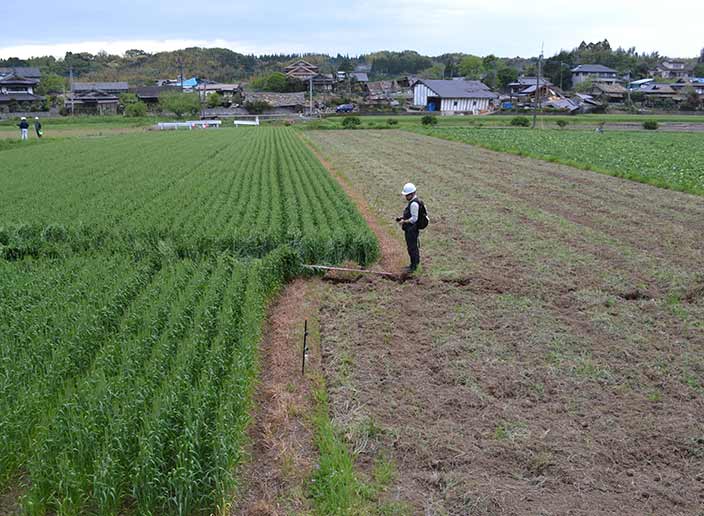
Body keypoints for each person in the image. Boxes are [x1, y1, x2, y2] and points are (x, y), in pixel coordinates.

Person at [397, 182, 422, 273]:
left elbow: (414, 219)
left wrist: (404, 221)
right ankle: (413, 265)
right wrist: (402, 218)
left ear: (412, 194)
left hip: (412, 229)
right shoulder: (413, 202)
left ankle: (413, 267)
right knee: (411, 247)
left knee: (412, 247)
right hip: (411, 229)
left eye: (407, 195)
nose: (405, 197)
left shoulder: (414, 204)